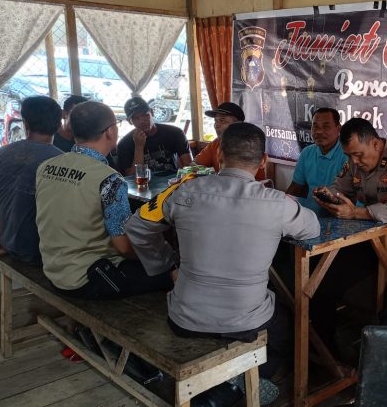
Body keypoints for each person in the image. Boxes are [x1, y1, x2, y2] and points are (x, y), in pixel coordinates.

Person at [125, 122, 319, 406]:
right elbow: (312, 228)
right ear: (263, 162)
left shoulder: (183, 192)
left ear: (219, 156)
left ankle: (223, 383)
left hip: (185, 317)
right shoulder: (277, 203)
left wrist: (167, 266)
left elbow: (137, 227)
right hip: (246, 322)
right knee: (285, 323)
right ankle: (238, 387)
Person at [312, 117, 387, 353]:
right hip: (372, 239)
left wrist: (357, 212)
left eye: (358, 155)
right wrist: (330, 194)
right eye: (350, 155)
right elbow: (341, 186)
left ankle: (384, 366)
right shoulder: (354, 162)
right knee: (323, 281)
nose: (354, 161)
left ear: (376, 144)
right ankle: (327, 354)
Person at [35, 101, 173, 299]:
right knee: (172, 272)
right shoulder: (108, 179)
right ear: (110, 132)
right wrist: (159, 258)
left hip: (54, 270)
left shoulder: (46, 167)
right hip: (89, 278)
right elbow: (124, 247)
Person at [0, 96, 63, 264]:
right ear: (59, 126)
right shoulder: (63, 161)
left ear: (25, 123)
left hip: (10, 247)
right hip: (48, 253)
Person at [285, 107, 346, 211]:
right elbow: (295, 188)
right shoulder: (307, 153)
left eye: (326, 127)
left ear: (338, 128)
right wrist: (282, 206)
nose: (319, 132)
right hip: (309, 214)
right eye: (315, 127)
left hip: (338, 215)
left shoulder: (347, 154)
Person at [116, 96, 192, 175]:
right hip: (143, 185)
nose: (142, 121)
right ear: (130, 121)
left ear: (152, 112)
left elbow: (189, 166)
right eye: (136, 118)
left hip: (173, 183)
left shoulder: (175, 133)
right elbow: (130, 178)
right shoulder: (124, 144)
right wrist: (139, 147)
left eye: (145, 115)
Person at [54, 95, 116, 166]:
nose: (81, 119)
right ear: (63, 114)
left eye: (88, 116)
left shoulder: (94, 140)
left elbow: (111, 169)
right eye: (75, 114)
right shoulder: (52, 141)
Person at [194, 102, 245, 172]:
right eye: (216, 121)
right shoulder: (216, 143)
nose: (216, 125)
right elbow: (194, 164)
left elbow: (258, 180)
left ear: (238, 124)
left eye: (222, 121)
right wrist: (212, 174)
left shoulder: (249, 146)